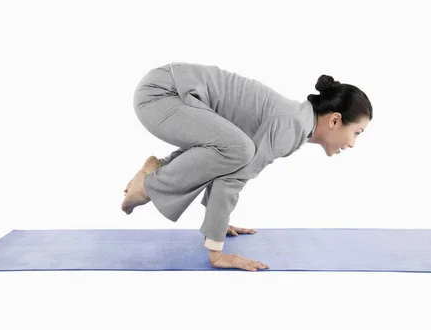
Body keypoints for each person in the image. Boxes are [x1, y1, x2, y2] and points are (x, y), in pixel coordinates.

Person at [121, 62, 373, 271]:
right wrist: (216, 251)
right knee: (241, 149)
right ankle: (148, 185)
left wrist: (218, 221)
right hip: (161, 94)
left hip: (169, 92)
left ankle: (156, 169)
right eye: (357, 132)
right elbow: (231, 179)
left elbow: (224, 167)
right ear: (335, 120)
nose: (352, 144)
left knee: (236, 148)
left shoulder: (294, 122)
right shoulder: (291, 126)